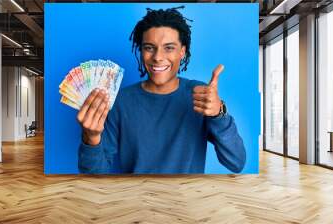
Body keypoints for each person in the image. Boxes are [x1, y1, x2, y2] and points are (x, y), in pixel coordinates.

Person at [77, 7, 246, 174]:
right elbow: (94, 174)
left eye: (169, 48)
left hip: (186, 198)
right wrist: (91, 138)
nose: (157, 57)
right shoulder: (120, 100)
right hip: (136, 198)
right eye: (149, 47)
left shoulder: (200, 94)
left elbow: (236, 163)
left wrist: (219, 114)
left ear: (182, 52)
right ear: (141, 51)